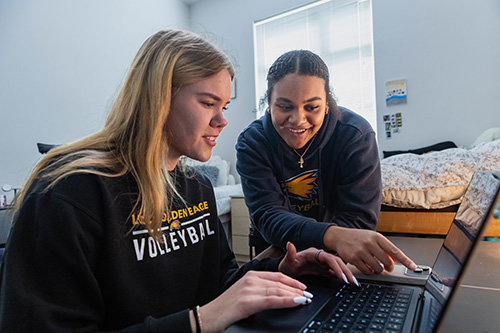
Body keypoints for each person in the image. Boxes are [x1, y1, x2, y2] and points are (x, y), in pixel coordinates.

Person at [0, 30, 359, 332]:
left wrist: (276, 268)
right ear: (158, 99)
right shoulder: (69, 193)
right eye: (208, 103)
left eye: (225, 107)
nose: (222, 121)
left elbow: (219, 282)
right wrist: (199, 321)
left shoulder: (197, 188)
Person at [236, 50, 417, 275]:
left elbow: (358, 219)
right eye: (284, 107)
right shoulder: (252, 142)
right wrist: (331, 235)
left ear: (328, 103)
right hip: (279, 251)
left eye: (312, 107)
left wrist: (329, 244)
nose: (298, 120)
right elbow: (268, 214)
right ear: (268, 103)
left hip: (337, 254)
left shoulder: (356, 135)